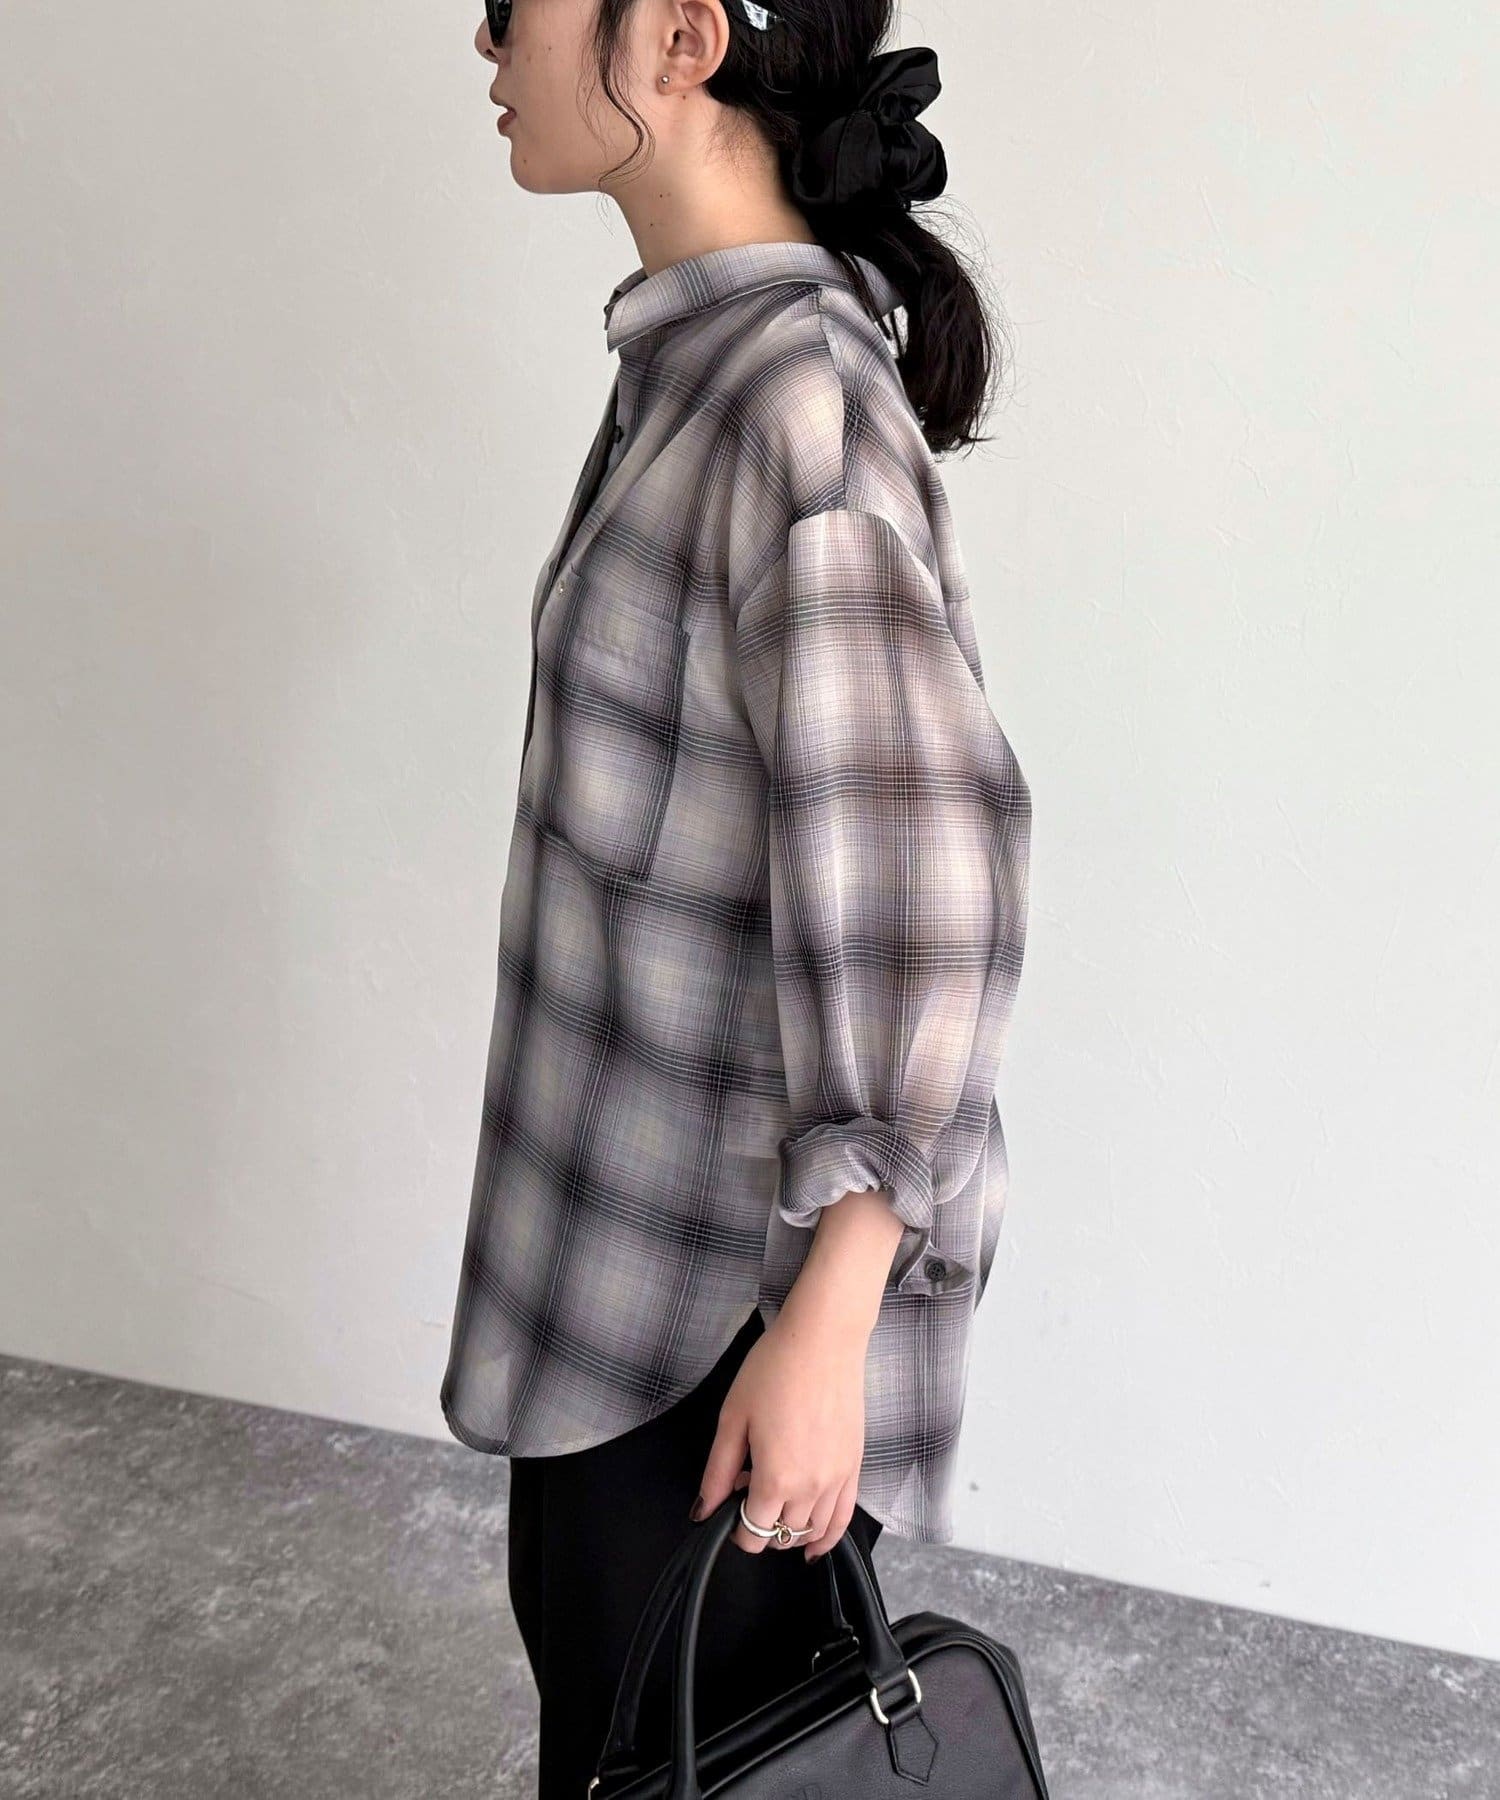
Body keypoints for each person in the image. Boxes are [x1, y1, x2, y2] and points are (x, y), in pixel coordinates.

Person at [444, 2, 1032, 1793]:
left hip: (720, 1334)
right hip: (625, 1287)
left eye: (522, 5)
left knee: (683, 1754)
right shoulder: (700, 363)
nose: (486, 41)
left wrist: (829, 1326)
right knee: (623, 1742)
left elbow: (937, 887)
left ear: (684, 37)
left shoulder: (797, 406)